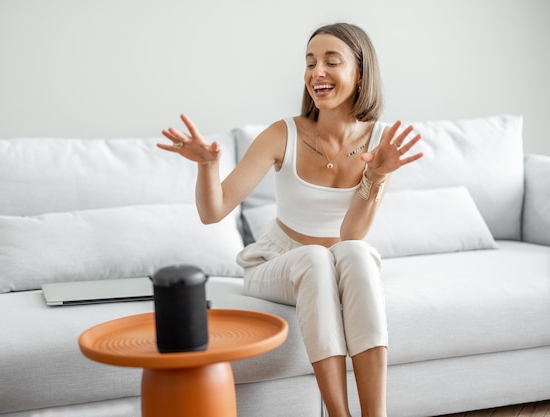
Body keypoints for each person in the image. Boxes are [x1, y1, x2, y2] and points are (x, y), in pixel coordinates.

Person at [158, 22, 423, 417]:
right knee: (315, 257)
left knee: (355, 252)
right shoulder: (284, 133)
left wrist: (377, 174)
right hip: (277, 262)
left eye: (331, 62)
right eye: (310, 62)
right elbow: (212, 212)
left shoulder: (380, 141)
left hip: (339, 263)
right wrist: (209, 166)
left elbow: (351, 234)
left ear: (361, 73)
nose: (317, 72)